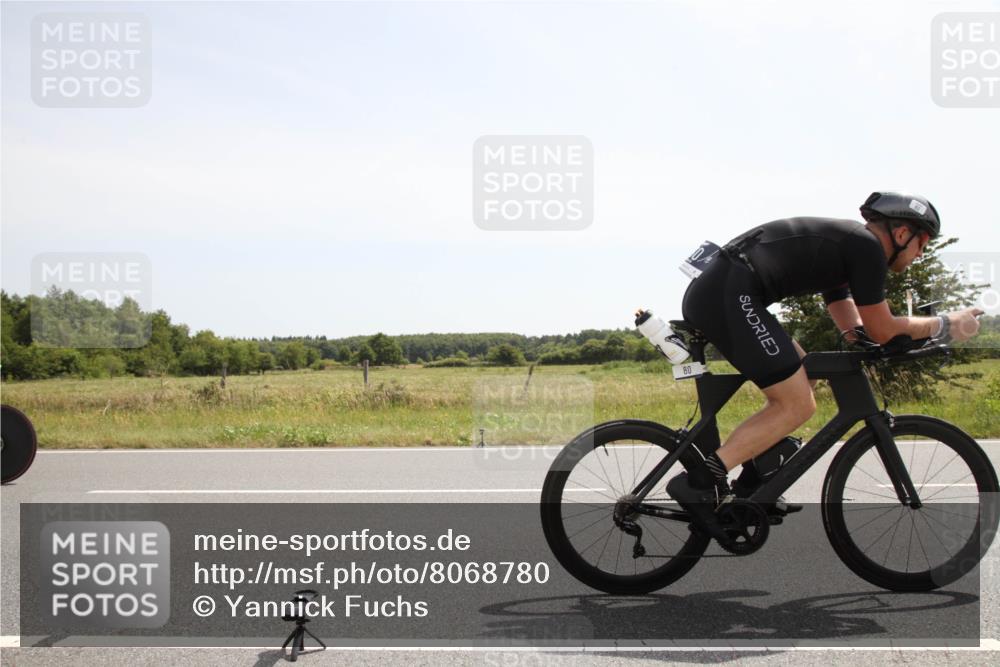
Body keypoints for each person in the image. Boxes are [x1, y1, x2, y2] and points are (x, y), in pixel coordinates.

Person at [667, 191, 984, 541]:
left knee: (807, 374)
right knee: (797, 404)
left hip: (727, 290)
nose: (921, 254)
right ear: (901, 233)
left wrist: (860, 337)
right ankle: (700, 481)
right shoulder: (866, 247)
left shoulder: (852, 244)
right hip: (729, 294)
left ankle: (754, 478)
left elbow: (844, 308)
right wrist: (946, 324)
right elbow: (882, 328)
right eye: (922, 243)